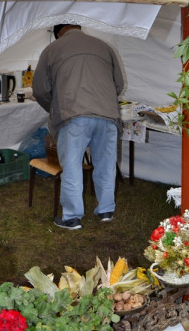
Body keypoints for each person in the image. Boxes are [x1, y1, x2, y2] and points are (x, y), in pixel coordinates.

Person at [32, 24, 125, 229]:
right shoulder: (104, 46)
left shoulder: (51, 50)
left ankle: (72, 217)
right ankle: (106, 210)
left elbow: (39, 89)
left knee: (72, 166)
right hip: (107, 114)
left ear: (58, 34)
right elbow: (118, 84)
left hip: (73, 114)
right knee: (106, 164)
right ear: (78, 28)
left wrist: (55, 108)